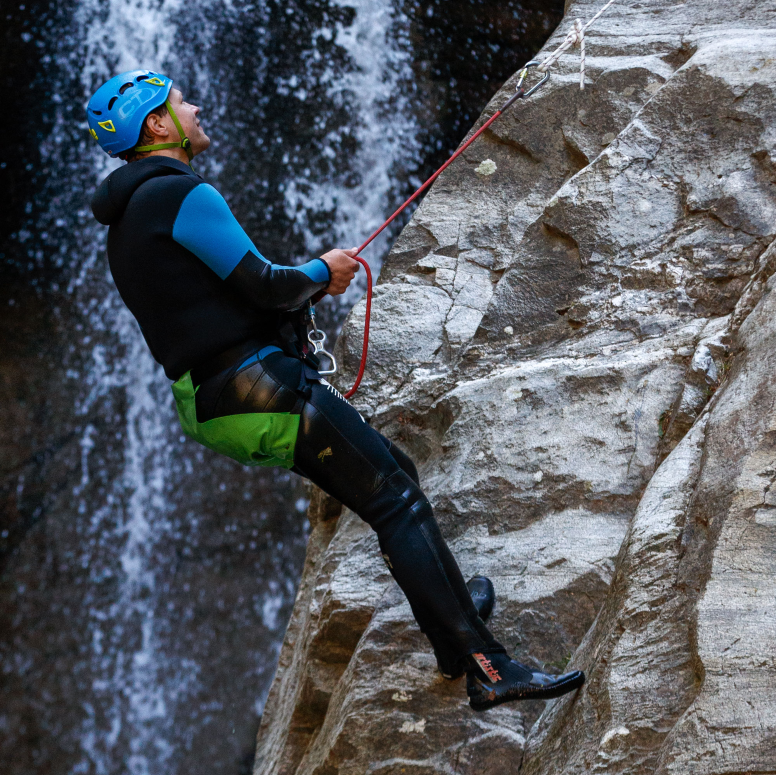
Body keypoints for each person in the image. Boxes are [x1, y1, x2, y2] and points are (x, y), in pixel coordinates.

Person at [87, 70, 584, 711]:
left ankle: (450, 620)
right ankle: (489, 668)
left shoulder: (126, 220)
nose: (196, 106)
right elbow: (267, 285)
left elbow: (215, 304)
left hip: (219, 401)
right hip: (258, 388)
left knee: (391, 473)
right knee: (397, 501)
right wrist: (325, 271)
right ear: (157, 125)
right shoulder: (180, 194)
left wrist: (309, 285)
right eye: (180, 102)